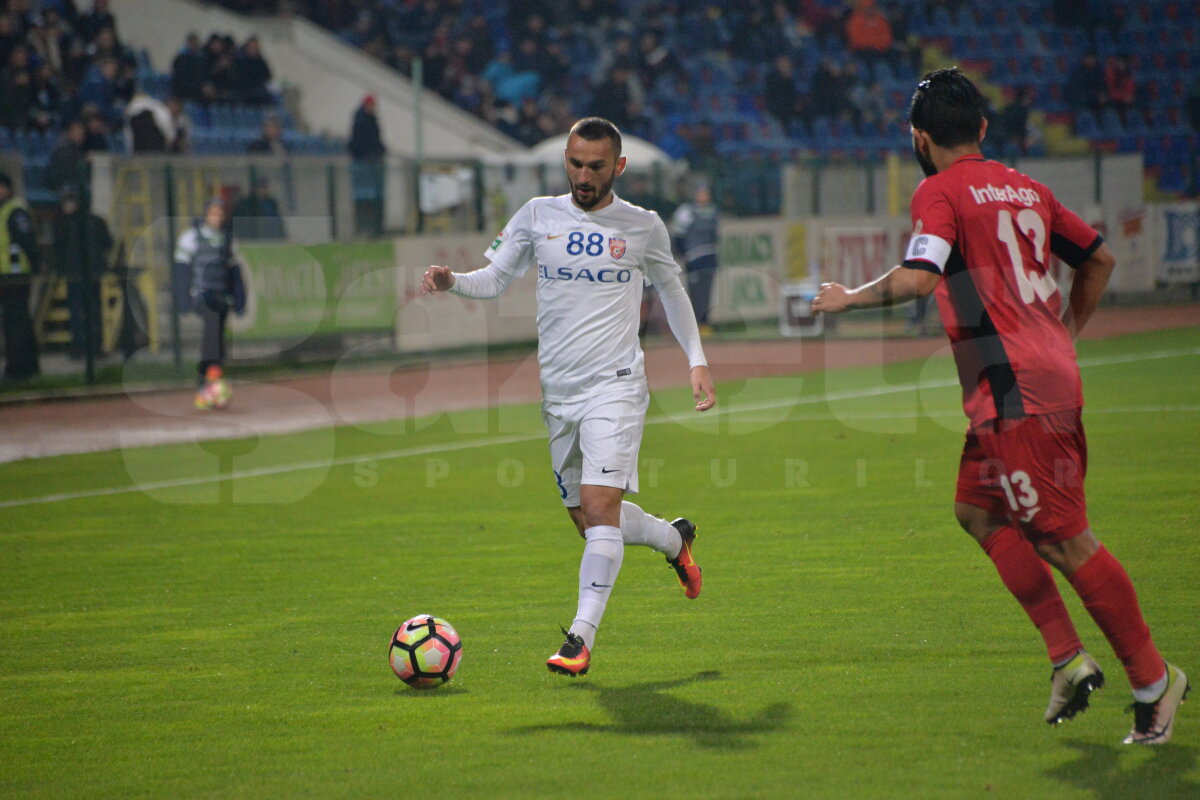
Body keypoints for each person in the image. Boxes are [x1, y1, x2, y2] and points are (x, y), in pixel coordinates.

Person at [812, 68, 1188, 745]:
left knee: (1064, 537)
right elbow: (1097, 260)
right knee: (977, 510)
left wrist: (849, 299)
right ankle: (1069, 660)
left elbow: (922, 276)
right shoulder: (1029, 188)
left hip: (1017, 390)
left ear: (920, 139)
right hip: (1025, 380)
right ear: (983, 128)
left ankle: (1156, 683)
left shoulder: (939, 191)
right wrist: (1062, 334)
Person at [421, 117, 716, 677]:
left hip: (616, 385)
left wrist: (697, 360)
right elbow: (495, 277)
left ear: (618, 167)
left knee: (601, 508)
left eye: (596, 166)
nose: (584, 175)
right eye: (576, 164)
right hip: (558, 393)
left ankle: (580, 639)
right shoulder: (537, 214)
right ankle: (673, 539)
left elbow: (673, 293)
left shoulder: (643, 225)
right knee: (588, 521)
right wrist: (451, 281)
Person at [173, 198, 244, 407]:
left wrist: (240, 299)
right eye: (213, 212)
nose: (217, 217)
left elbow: (235, 273)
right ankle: (206, 382)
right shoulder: (191, 237)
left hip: (221, 295)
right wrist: (183, 298)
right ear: (206, 214)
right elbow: (181, 270)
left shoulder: (228, 240)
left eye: (220, 213)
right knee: (212, 329)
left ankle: (212, 379)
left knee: (218, 340)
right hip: (201, 294)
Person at [53, 187, 113, 360]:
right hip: (92, 273)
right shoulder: (96, 221)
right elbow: (108, 243)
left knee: (78, 311)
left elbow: (59, 248)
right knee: (93, 311)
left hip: (76, 274)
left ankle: (79, 347)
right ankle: (95, 346)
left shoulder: (65, 223)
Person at [0, 172, 40, 379]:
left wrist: (35, 267)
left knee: (16, 323)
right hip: (5, 276)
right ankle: (27, 366)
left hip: (16, 275)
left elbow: (28, 242)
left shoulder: (15, 211)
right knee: (16, 321)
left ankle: (20, 368)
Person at [669, 182, 719, 333]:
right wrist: (682, 253)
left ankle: (704, 323)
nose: (704, 196)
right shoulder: (687, 211)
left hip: (709, 256)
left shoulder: (713, 211)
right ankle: (693, 324)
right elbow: (677, 233)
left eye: (706, 193)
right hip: (694, 257)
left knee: (706, 291)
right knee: (694, 292)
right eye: (701, 192)